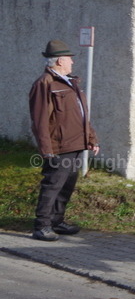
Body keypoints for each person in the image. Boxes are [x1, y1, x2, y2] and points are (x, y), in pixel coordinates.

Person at [28, 40, 100, 242]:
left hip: (76, 144)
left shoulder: (70, 82)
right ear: (60, 60)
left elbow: (82, 115)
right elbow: (40, 120)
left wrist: (91, 138)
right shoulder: (44, 84)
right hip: (59, 147)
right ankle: (42, 225)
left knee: (67, 185)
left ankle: (57, 221)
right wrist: (46, 150)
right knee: (52, 185)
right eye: (69, 59)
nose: (72, 63)